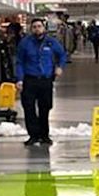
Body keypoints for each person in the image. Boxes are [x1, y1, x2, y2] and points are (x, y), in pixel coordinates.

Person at [16, 18, 67, 146]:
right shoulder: (25, 43)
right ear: (31, 29)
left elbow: (62, 54)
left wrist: (60, 66)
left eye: (39, 26)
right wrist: (19, 79)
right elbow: (19, 62)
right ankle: (33, 135)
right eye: (34, 27)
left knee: (45, 108)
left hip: (45, 80)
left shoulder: (51, 42)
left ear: (44, 28)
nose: (37, 29)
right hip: (29, 80)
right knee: (29, 108)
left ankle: (44, 135)